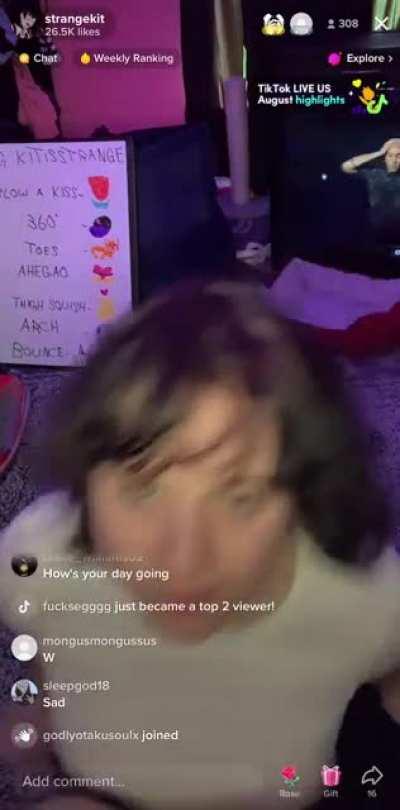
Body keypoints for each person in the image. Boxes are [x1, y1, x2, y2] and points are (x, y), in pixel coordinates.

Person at [0, 276, 399, 810]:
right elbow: (47, 654)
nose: (182, 560)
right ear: (84, 477)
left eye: (242, 497)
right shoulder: (38, 561)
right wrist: (47, 735)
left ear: (306, 493)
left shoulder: (368, 598)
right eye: (143, 488)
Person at [341, 138, 400, 243]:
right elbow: (346, 166)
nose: (394, 160)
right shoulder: (373, 174)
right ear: (384, 158)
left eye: (398, 156)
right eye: (390, 156)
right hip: (374, 234)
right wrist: (379, 152)